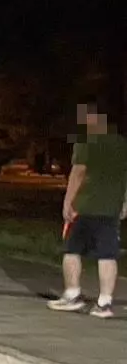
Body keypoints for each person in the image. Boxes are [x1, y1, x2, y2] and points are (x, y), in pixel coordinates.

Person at [48, 101, 127, 318]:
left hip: (84, 206)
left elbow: (78, 173)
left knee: (72, 250)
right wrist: (124, 203)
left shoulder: (86, 142)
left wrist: (67, 202)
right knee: (107, 254)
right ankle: (104, 303)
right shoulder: (121, 144)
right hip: (110, 208)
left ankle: (72, 295)